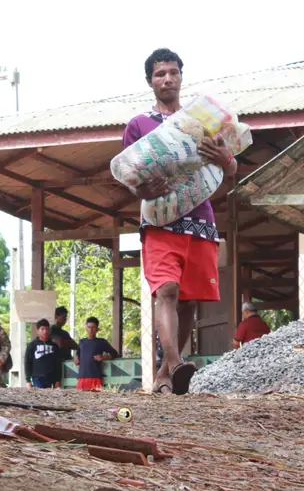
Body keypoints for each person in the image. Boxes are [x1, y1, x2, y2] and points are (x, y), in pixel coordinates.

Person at [121, 48, 237, 395]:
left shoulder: (203, 121)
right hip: (159, 221)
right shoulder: (138, 125)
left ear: (181, 77)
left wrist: (226, 158)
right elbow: (131, 181)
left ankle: (163, 376)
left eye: (172, 72)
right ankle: (175, 363)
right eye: (160, 74)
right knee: (167, 291)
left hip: (200, 220)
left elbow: (230, 171)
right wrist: (145, 190)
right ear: (149, 82)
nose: (167, 78)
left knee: (189, 299)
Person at [75, 317, 119, 391]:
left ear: (97, 329)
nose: (91, 330)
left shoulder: (101, 342)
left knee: (95, 401)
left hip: (95, 377)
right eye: (89, 327)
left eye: (93, 327)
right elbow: (77, 354)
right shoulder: (82, 342)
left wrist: (103, 357)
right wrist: (75, 358)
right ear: (86, 328)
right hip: (82, 377)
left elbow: (115, 353)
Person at [24, 319, 62, 389]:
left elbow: (58, 364)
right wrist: (28, 380)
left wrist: (58, 380)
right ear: (37, 331)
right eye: (42, 329)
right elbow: (27, 363)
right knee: (39, 396)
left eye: (47, 329)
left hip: (51, 378)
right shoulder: (32, 346)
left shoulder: (54, 346)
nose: (45, 331)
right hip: (37, 378)